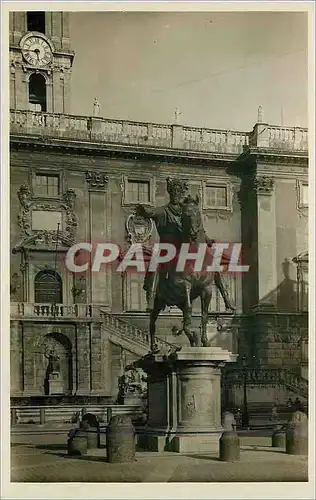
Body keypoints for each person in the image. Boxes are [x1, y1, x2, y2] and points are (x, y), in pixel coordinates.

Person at [135, 177, 235, 312]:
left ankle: (226, 298)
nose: (176, 195)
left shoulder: (186, 211)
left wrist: (207, 239)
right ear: (170, 193)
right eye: (174, 193)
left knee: (212, 261)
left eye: (179, 193)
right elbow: (151, 212)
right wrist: (144, 212)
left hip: (185, 246)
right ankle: (151, 298)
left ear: (181, 193)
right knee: (156, 261)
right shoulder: (164, 210)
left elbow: (197, 227)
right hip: (169, 247)